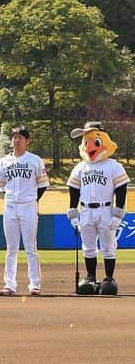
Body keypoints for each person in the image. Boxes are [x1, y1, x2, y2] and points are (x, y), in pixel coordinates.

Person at [67, 121, 129, 295]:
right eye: (86, 142)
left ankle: (109, 278)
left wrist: (118, 213)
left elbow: (121, 189)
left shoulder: (113, 166)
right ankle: (91, 277)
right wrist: (73, 212)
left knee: (108, 246)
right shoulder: (81, 167)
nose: (89, 146)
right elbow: (73, 190)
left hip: (105, 210)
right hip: (86, 210)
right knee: (88, 247)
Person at [0, 126, 48, 296]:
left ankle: (35, 284)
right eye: (14, 137)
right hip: (10, 206)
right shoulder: (4, 162)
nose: (16, 140)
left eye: (20, 137)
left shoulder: (35, 160)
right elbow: (2, 186)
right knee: (11, 248)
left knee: (31, 248)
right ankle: (9, 284)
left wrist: (31, 199)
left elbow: (43, 185)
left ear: (27, 141)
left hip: (28, 207)